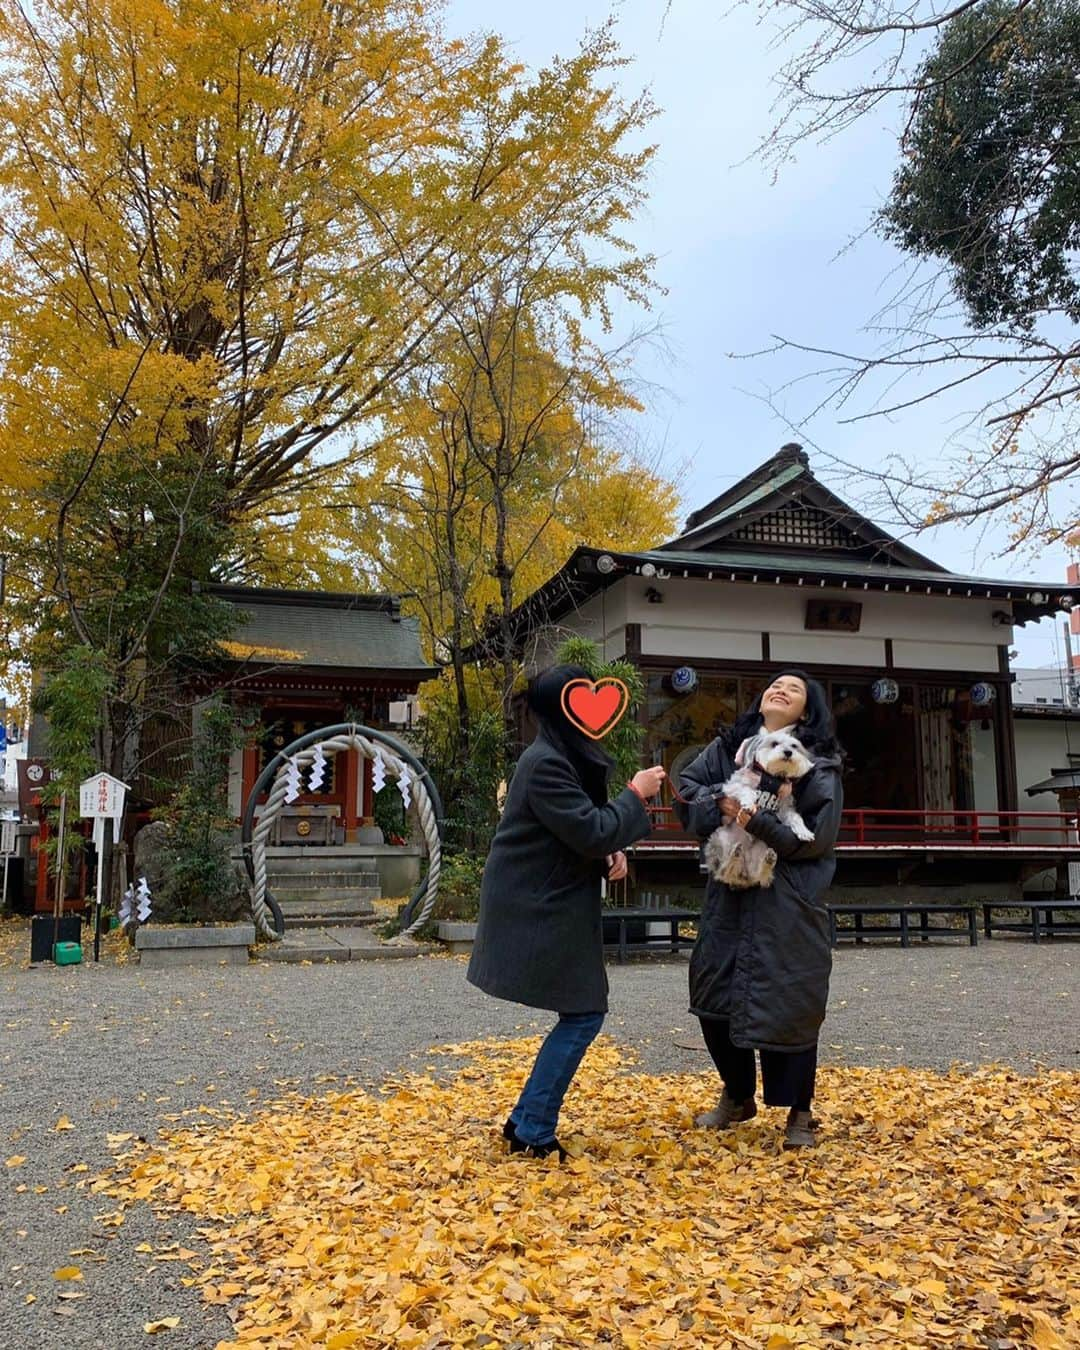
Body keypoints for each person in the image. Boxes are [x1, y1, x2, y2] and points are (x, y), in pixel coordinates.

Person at [466, 664, 666, 1159]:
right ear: (567, 710)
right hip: (539, 905)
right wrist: (635, 796)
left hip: (547, 898)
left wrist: (605, 853)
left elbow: (582, 831)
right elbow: (590, 828)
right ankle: (531, 1127)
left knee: (582, 1010)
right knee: (583, 1013)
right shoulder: (547, 763)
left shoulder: (554, 755)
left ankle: (525, 1123)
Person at [674, 670, 843, 1149]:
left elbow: (815, 839)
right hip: (728, 892)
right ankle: (738, 1093)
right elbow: (687, 791)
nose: (780, 689)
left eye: (794, 689)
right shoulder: (730, 748)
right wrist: (723, 805)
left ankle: (800, 1112)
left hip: (786, 901)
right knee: (713, 996)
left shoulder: (819, 765)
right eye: (775, 684)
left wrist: (757, 819)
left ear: (806, 712)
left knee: (790, 1001)